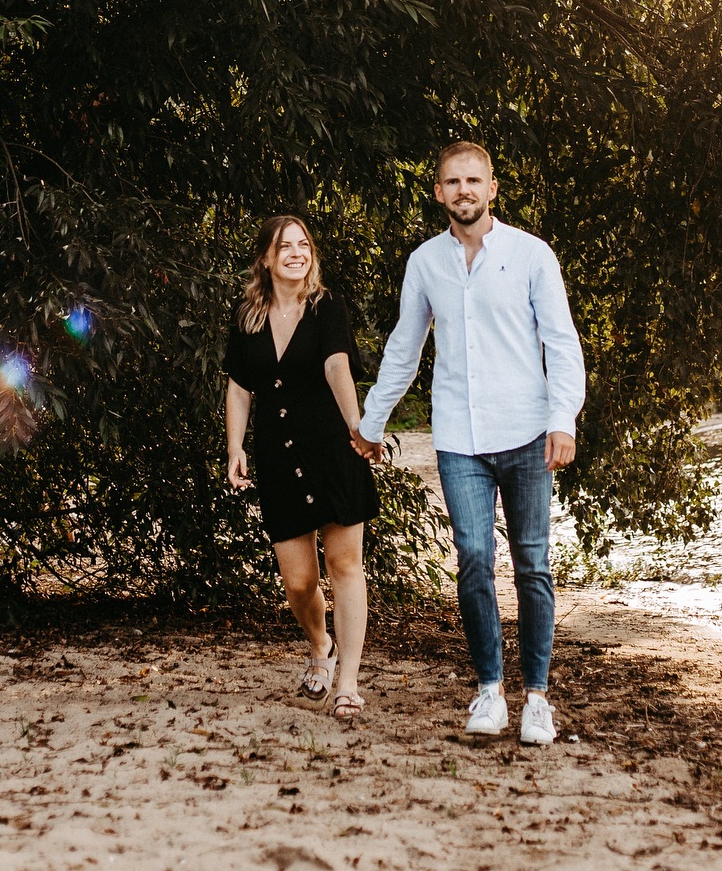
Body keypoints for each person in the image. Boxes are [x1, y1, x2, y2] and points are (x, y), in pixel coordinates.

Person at [352, 143, 585, 746]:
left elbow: (561, 344)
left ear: (492, 189)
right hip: (460, 438)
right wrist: (371, 423)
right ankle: (489, 690)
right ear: (438, 192)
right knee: (475, 562)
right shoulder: (426, 263)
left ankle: (536, 696)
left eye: (473, 180)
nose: (464, 190)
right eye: (452, 181)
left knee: (532, 564)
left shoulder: (533, 256)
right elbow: (405, 347)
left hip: (530, 434)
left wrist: (564, 419)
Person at [225, 215, 379, 720]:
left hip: (333, 450)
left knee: (345, 566)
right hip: (278, 454)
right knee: (297, 581)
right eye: (284, 246)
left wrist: (357, 425)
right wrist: (235, 447)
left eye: (303, 244)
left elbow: (337, 364)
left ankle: (349, 684)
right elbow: (239, 386)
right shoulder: (247, 315)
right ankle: (321, 648)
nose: (296, 252)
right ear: (266, 259)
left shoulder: (326, 306)